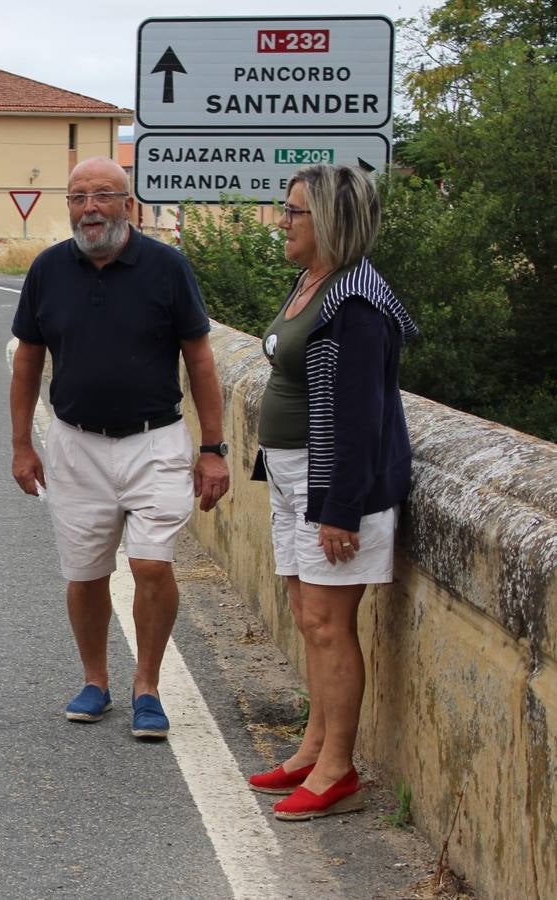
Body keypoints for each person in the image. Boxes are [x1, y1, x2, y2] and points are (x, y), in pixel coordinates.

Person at [10, 156, 230, 740]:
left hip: (155, 441)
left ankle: (148, 686)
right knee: (84, 573)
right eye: (78, 198)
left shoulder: (167, 268)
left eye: (103, 196)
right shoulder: (47, 271)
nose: (90, 209)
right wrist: (20, 447)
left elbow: (202, 361)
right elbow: (28, 359)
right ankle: (95, 680)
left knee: (153, 564)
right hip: (75, 445)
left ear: (127, 205)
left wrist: (213, 448)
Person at [246, 164, 417, 820]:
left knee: (327, 624)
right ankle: (311, 749)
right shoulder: (311, 282)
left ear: (331, 223)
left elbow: (360, 415)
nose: (281, 220)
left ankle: (337, 769)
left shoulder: (356, 304)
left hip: (335, 484)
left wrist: (340, 508)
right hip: (292, 475)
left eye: (293, 212)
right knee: (306, 617)